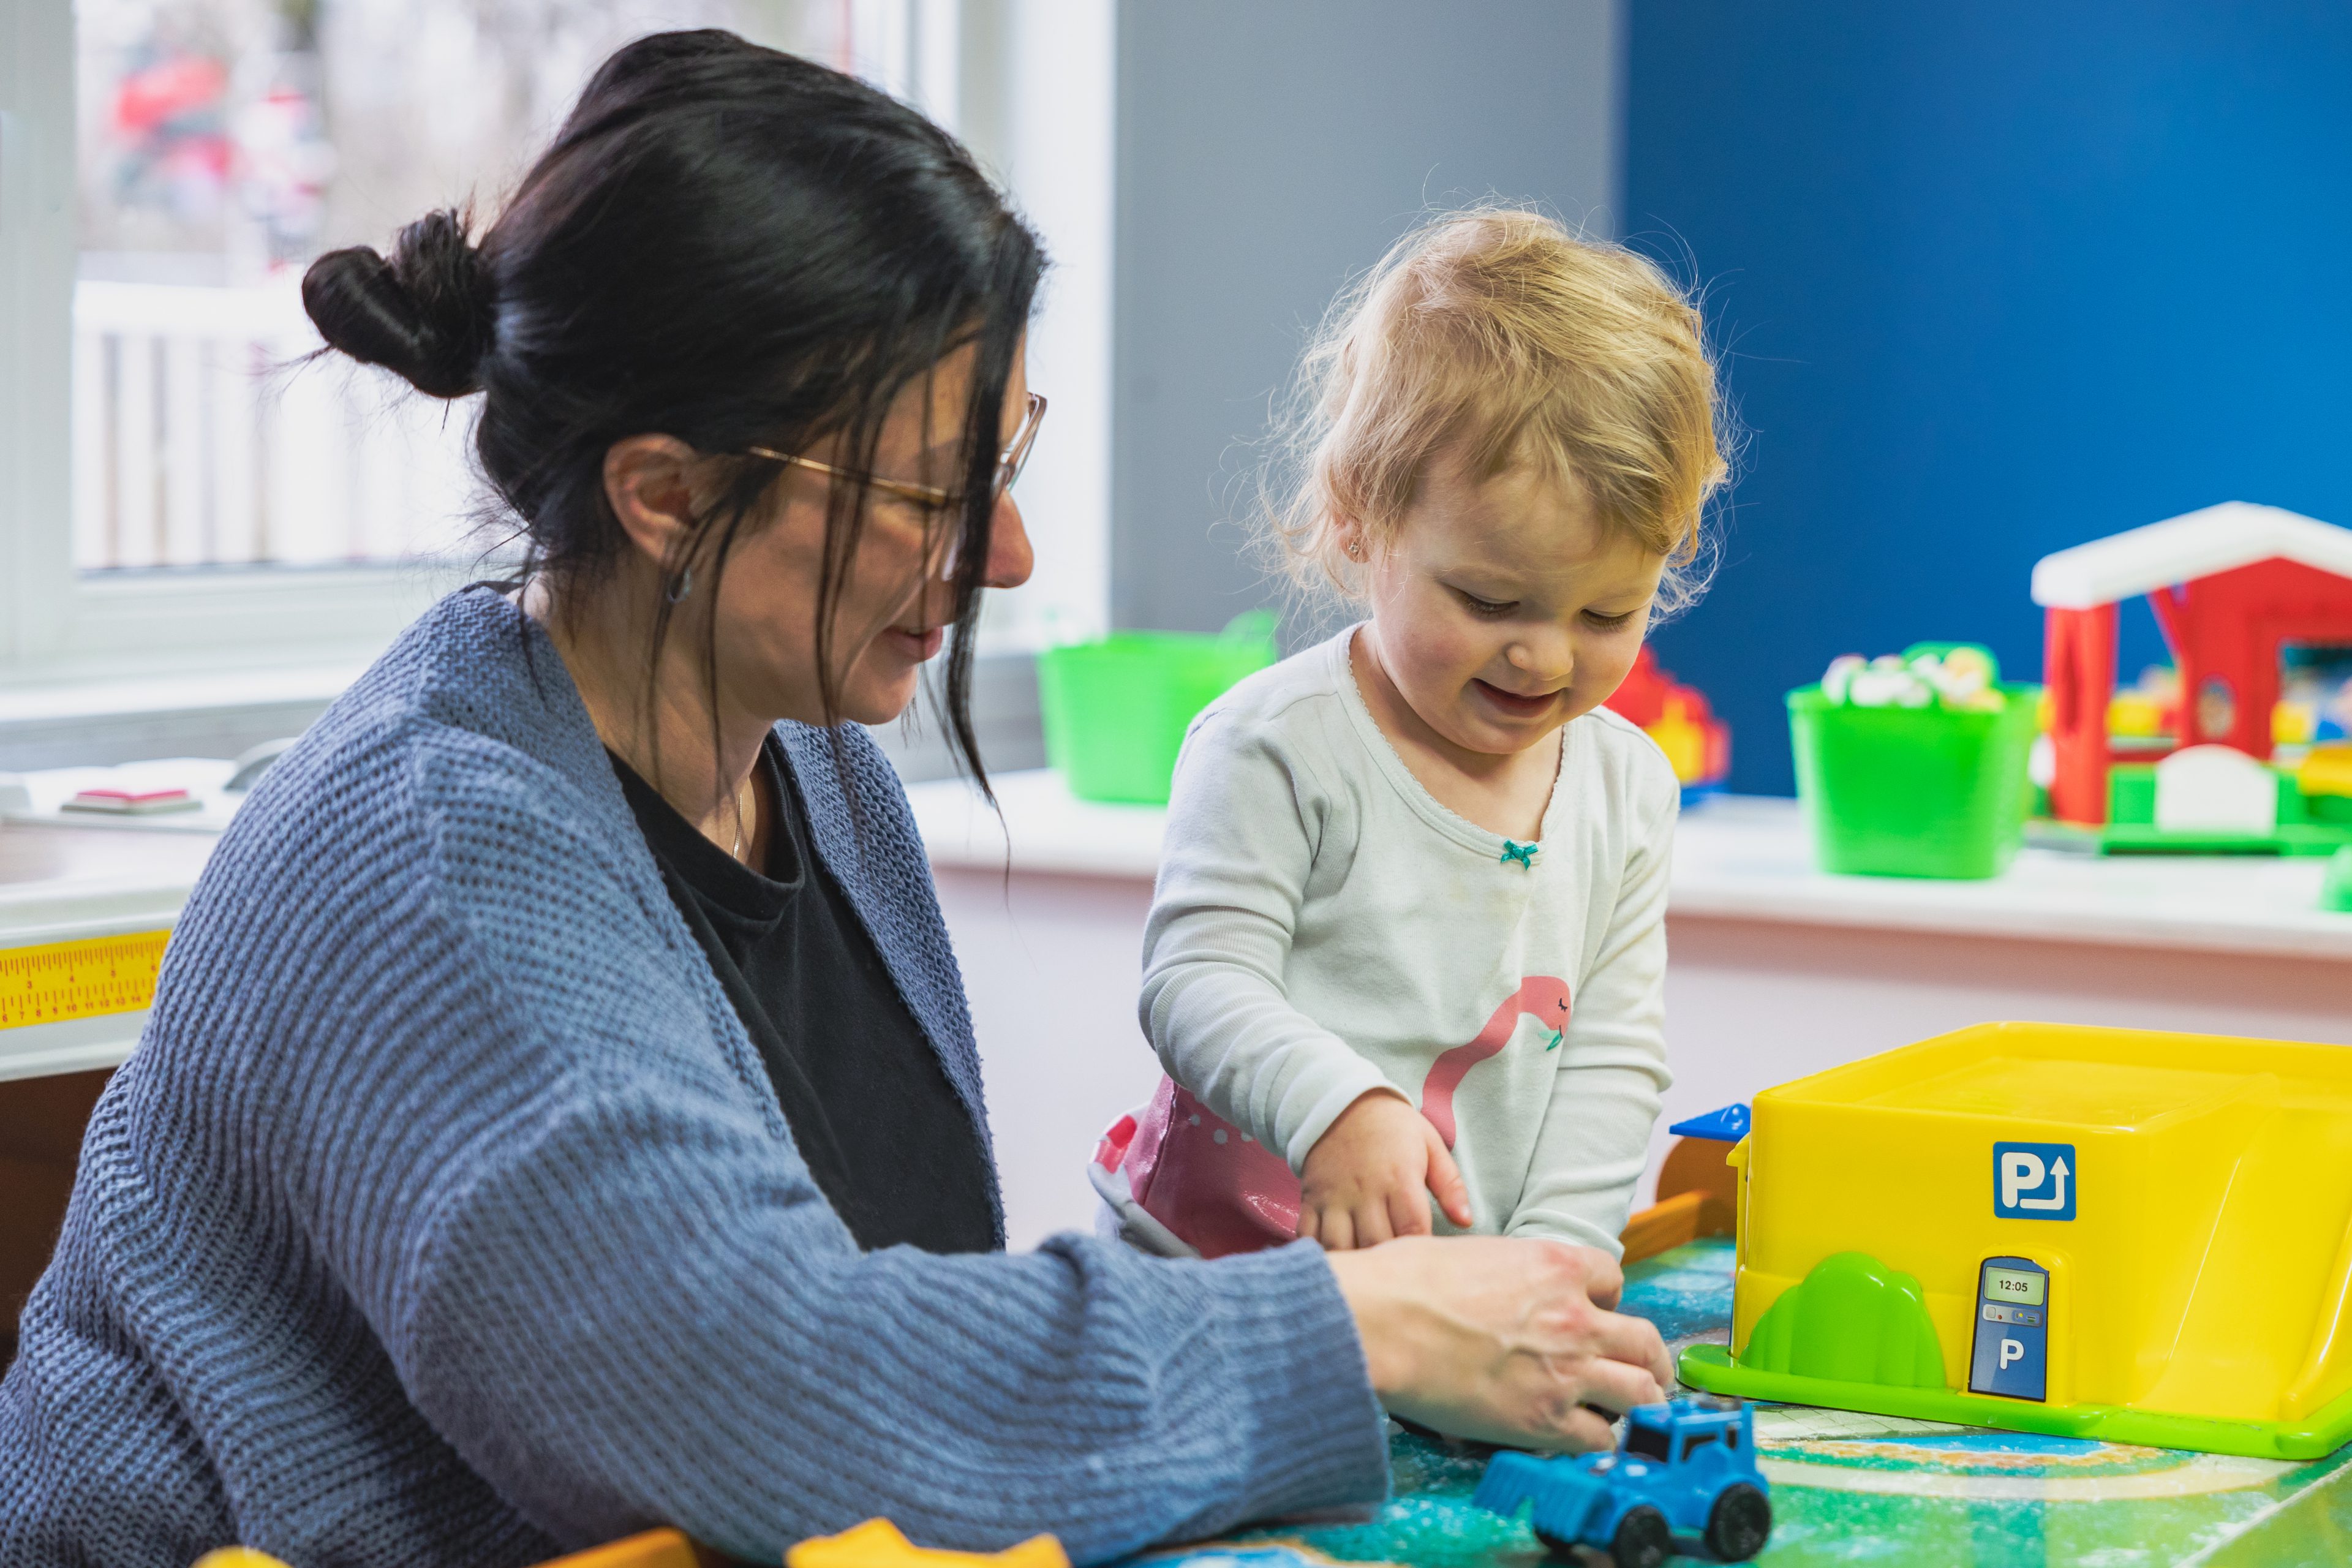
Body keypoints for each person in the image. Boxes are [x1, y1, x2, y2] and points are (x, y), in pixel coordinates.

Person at [0, 36, 1673, 1568]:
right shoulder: (436, 861)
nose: (1007, 553)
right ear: (666, 493)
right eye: (940, 489)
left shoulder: (818, 775)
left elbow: (899, 1322)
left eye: (1006, 458)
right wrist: (1357, 1329)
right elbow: (770, 1400)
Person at [1104, 210, 1727, 1261]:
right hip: (1222, 1282)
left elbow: (1611, 1057)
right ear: (1359, 519)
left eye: (1607, 615)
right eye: (1489, 600)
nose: (1544, 657)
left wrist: (1559, 1258)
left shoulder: (1626, 787)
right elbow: (1195, 983)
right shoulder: (1278, 747)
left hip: (1460, 1290)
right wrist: (1337, 1108)